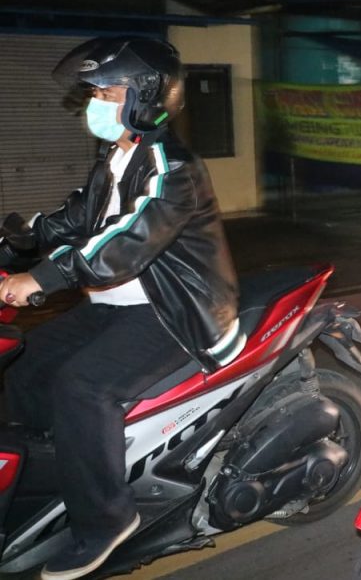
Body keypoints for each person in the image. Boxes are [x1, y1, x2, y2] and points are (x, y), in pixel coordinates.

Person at [0, 36, 241, 580]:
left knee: (82, 386)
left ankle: (106, 519)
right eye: (95, 91)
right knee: (28, 360)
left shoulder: (173, 167)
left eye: (107, 90)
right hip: (115, 306)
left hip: (175, 313)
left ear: (146, 94)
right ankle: (61, 467)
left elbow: (124, 244)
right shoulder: (117, 156)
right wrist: (13, 244)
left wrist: (37, 280)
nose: (97, 102)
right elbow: (72, 219)